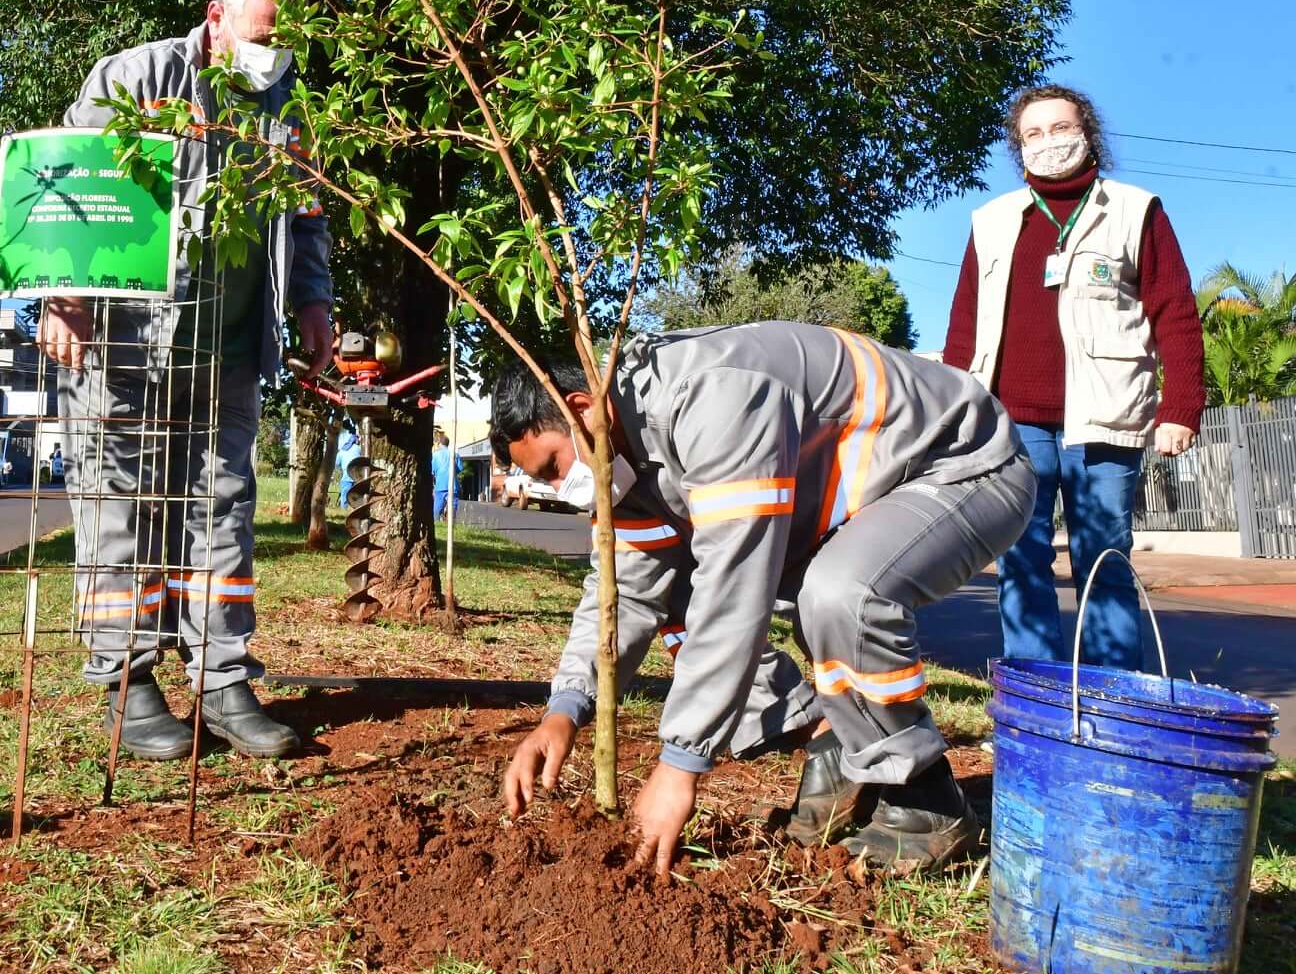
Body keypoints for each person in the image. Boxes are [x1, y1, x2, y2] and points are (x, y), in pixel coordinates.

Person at [495, 323, 1034, 874]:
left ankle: (926, 799)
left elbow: (733, 588)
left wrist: (680, 764)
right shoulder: (627, 459)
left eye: (554, 468)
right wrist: (563, 712)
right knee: (676, 590)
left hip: (966, 467)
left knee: (840, 594)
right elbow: (628, 593)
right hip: (861, 504)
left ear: (585, 408)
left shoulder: (712, 399)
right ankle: (828, 739)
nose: (561, 489)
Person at [39, 0, 335, 761]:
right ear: (217, 17)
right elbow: (67, 186)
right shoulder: (136, 79)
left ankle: (224, 679)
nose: (275, 52)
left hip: (230, 346)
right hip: (127, 343)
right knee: (119, 505)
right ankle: (129, 683)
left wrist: (313, 303)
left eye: (289, 37)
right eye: (264, 33)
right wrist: (64, 297)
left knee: (221, 508)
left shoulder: (291, 108)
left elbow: (308, 218)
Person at [944, 85, 1203, 671]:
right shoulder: (991, 221)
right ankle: (1037, 705)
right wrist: (954, 414)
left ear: (1086, 132)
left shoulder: (1135, 210)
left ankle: (1114, 702)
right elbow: (964, 326)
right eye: (1033, 134)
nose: (1049, 142)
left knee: (1105, 558)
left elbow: (1176, 312)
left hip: (1106, 419)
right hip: (1009, 422)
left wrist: (1181, 406)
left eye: (1061, 128)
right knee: (1020, 559)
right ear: (1019, 147)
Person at [431, 427, 458, 519]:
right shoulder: (455, 454)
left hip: (440, 485)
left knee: (437, 510)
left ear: (440, 444)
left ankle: (437, 524)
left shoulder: (435, 455)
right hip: (453, 485)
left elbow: (432, 471)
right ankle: (450, 522)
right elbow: (459, 469)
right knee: (453, 509)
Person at [334, 423, 363, 509]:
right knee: (358, 497)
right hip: (359, 477)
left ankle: (344, 510)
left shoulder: (342, 451)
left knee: (345, 496)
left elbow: (336, 463)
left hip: (346, 477)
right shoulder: (360, 449)